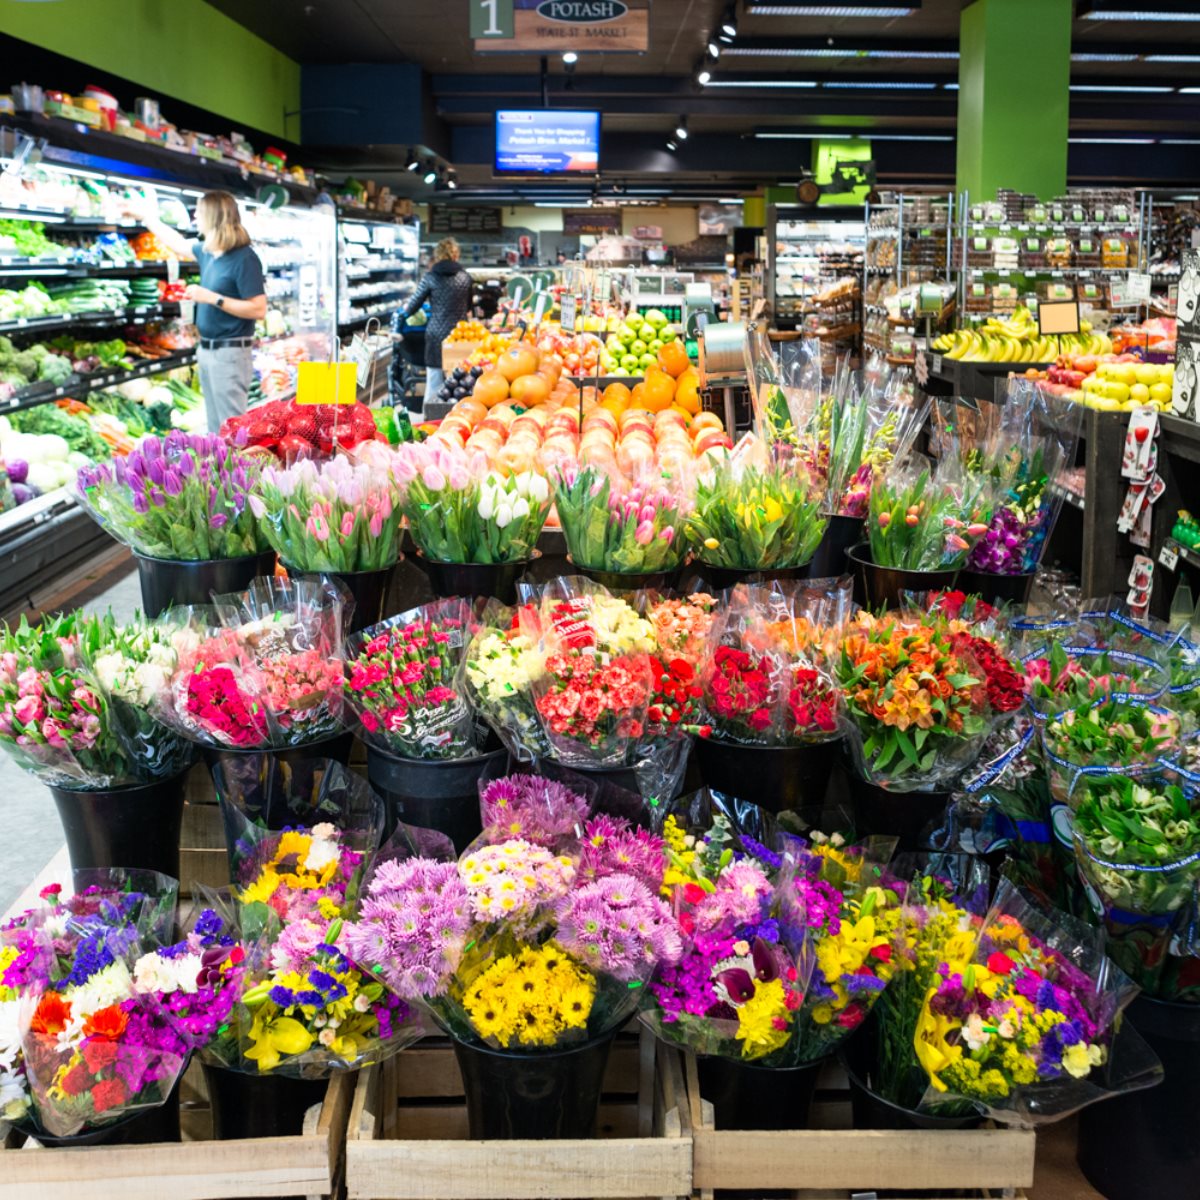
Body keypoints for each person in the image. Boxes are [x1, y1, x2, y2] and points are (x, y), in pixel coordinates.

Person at [132, 190, 266, 433]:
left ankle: (238, 460)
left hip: (230, 352)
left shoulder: (244, 259)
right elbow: (177, 243)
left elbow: (258, 308)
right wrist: (147, 218)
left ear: (214, 217)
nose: (195, 216)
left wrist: (212, 298)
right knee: (215, 428)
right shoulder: (208, 252)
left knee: (231, 428)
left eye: (200, 211)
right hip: (207, 350)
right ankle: (221, 460)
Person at [396, 237, 472, 417]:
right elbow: (469, 306)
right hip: (459, 337)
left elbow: (412, 307)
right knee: (461, 383)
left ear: (438, 255)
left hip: (435, 335)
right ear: (456, 254)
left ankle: (429, 422)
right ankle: (460, 419)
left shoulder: (430, 277)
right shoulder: (465, 277)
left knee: (433, 383)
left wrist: (403, 312)